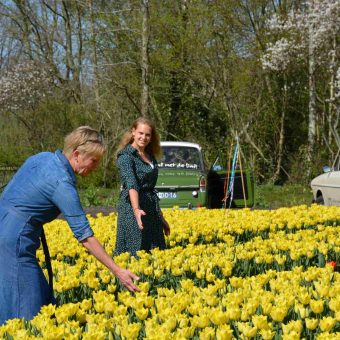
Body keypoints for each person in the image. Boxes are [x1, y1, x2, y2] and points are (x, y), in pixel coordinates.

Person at [0, 126, 140, 326]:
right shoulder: (62, 183)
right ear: (76, 154)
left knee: (37, 298)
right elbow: (84, 235)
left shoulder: (42, 158)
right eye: (94, 161)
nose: (95, 167)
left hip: (5, 229)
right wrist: (117, 271)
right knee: (28, 312)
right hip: (14, 242)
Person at [114, 117, 170, 257]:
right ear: (133, 132)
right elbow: (131, 184)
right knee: (136, 251)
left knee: (155, 252)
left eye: (147, 135)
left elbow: (151, 189)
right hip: (133, 208)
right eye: (140, 133)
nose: (143, 137)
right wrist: (136, 209)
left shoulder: (150, 155)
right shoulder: (126, 156)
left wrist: (161, 217)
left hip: (151, 208)